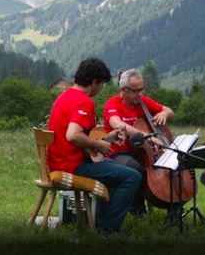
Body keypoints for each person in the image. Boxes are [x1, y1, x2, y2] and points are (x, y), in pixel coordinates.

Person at [46, 57, 142, 234]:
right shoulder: (84, 101)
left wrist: (107, 139)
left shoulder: (65, 95)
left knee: (113, 166)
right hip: (72, 166)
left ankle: (102, 219)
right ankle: (107, 228)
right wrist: (99, 147)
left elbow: (81, 136)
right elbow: (73, 135)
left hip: (58, 161)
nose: (100, 89)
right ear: (94, 82)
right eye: (101, 84)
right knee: (132, 177)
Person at [103, 68, 175, 216]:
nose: (140, 94)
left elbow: (169, 110)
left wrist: (164, 113)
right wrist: (146, 135)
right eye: (136, 91)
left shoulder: (142, 101)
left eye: (142, 89)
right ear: (124, 90)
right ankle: (137, 208)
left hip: (144, 153)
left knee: (173, 164)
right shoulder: (112, 104)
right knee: (135, 168)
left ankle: (174, 208)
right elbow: (116, 123)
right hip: (118, 154)